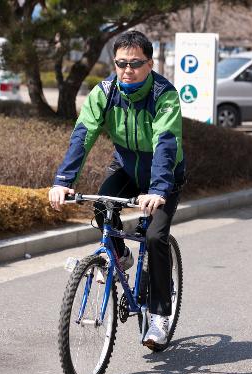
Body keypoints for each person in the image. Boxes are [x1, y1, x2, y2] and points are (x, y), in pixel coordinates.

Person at [49, 30, 185, 350]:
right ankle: (121, 256)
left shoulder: (164, 95)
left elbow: (166, 143)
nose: (127, 69)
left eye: (135, 63)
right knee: (101, 206)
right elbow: (83, 135)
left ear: (150, 64)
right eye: (121, 62)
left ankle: (159, 317)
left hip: (164, 178)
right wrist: (62, 182)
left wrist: (159, 189)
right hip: (125, 168)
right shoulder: (106, 92)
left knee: (154, 237)